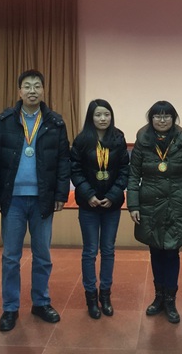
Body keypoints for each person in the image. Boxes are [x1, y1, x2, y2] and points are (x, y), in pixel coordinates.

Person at [0, 69, 71, 332]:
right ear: (19, 91)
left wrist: (60, 194)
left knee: (42, 255)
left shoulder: (55, 122)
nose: (32, 90)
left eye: (37, 86)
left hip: (42, 199)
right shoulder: (5, 120)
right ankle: (10, 308)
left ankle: (41, 302)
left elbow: (63, 161)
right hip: (12, 199)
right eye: (27, 86)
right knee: (11, 257)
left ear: (43, 90)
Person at [127, 100, 182, 324]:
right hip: (149, 204)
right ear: (151, 119)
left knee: (172, 252)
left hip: (176, 203)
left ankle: (170, 299)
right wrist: (133, 205)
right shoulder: (143, 140)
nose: (162, 120)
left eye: (166, 116)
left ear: (173, 118)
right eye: (157, 116)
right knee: (155, 251)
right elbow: (133, 175)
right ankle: (158, 296)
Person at [71, 99, 129, 319]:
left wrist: (113, 195)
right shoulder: (82, 140)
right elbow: (75, 171)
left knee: (108, 250)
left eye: (106, 114)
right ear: (91, 117)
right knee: (89, 251)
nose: (103, 119)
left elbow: (124, 170)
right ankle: (90, 296)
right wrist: (89, 195)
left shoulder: (118, 138)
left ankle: (105, 294)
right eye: (98, 115)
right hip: (89, 205)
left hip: (111, 205)